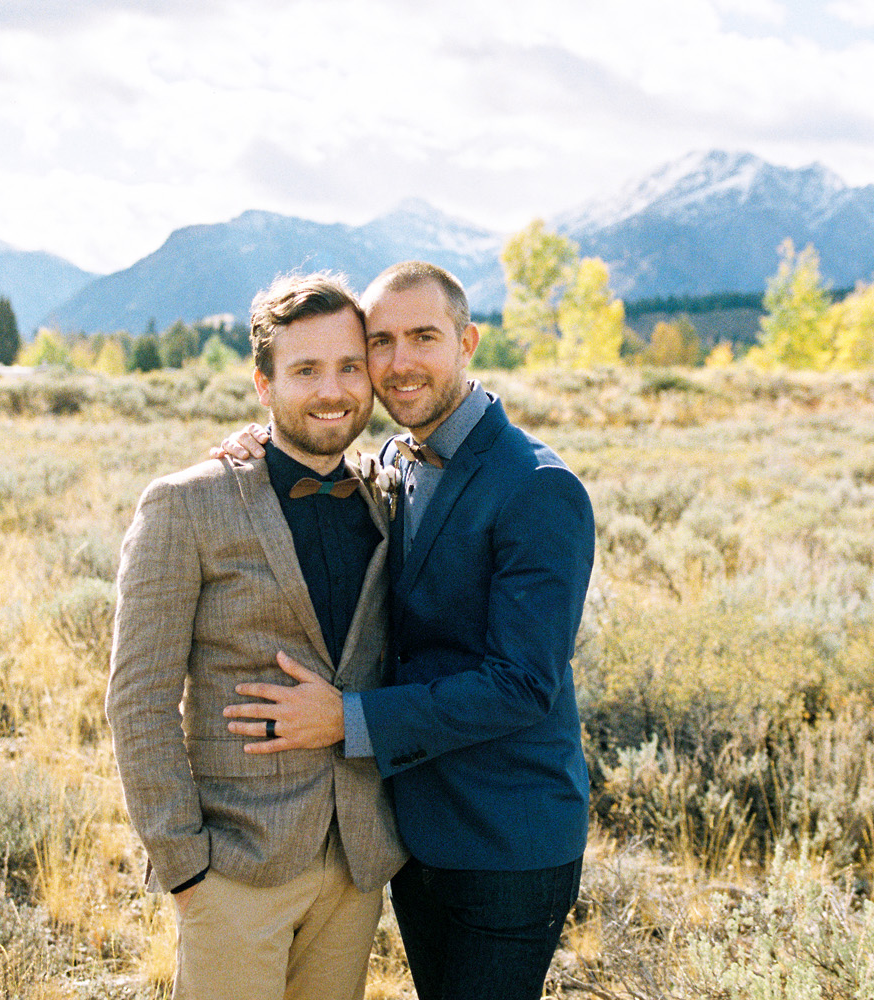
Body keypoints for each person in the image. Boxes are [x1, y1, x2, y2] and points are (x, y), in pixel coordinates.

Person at [220, 261, 597, 1000]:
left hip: (506, 842)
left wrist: (347, 719)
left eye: (423, 336)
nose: (399, 363)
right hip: (414, 835)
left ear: (467, 342)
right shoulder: (394, 461)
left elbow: (522, 684)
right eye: (381, 343)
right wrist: (259, 448)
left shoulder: (538, 488)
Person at [106, 272, 407, 1000]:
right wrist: (185, 869)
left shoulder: (387, 495)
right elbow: (138, 700)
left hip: (355, 868)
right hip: (235, 869)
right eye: (305, 370)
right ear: (263, 384)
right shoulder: (187, 505)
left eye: (347, 367)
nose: (331, 389)